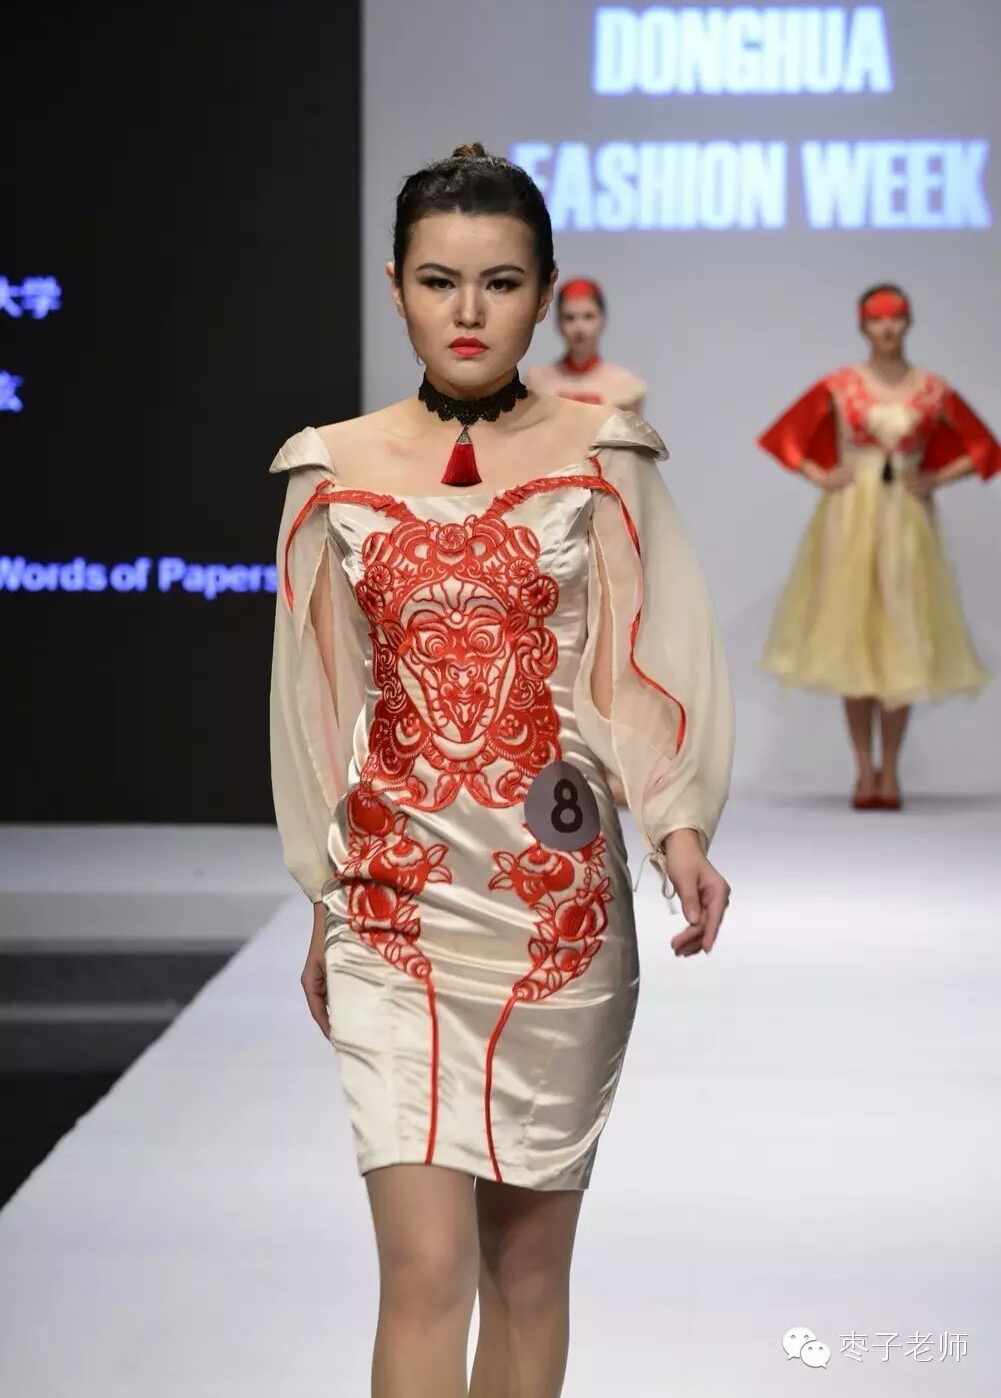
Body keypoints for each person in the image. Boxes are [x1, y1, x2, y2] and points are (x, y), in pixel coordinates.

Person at [269, 142, 733, 1398]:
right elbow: (319, 705)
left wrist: (679, 828)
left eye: (500, 282)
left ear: (545, 293)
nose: (467, 311)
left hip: (555, 904)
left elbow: (644, 661)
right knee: (421, 1272)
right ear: (395, 288)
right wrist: (321, 894)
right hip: (394, 906)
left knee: (524, 1276)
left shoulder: (603, 452)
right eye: (438, 281)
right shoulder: (328, 468)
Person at [757, 283, 1000, 811]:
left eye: (894, 317)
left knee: (899, 638)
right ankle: (863, 768)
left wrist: (935, 479)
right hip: (849, 521)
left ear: (908, 322)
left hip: (905, 523)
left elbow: (986, 448)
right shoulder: (841, 386)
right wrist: (822, 474)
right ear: (862, 325)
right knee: (853, 639)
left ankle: (889, 769)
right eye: (876, 319)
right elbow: (783, 438)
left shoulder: (931, 389)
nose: (886, 328)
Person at [525, 277, 646, 413]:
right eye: (570, 317)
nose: (579, 327)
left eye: (588, 316)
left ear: (602, 320)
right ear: (559, 323)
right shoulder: (536, 381)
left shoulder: (627, 385)